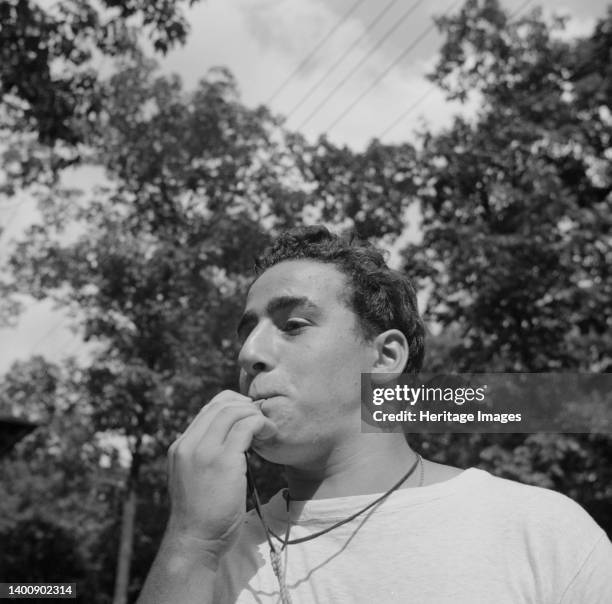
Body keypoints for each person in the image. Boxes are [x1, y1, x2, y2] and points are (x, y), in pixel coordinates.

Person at [137, 225, 612, 603]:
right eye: (247, 332)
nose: (249, 353)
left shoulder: (537, 529)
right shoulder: (209, 559)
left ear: (386, 358)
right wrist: (191, 539)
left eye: (293, 324)